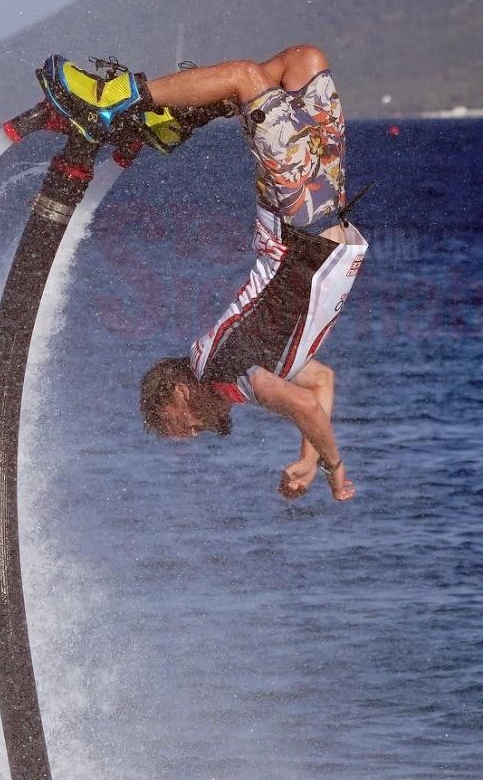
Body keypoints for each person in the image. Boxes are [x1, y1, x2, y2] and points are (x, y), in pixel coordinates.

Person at [131, 45, 366, 502]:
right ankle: (192, 104)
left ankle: (122, 100)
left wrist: (334, 469)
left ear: (179, 392)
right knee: (305, 61)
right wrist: (308, 459)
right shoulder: (247, 369)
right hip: (323, 209)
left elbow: (302, 406)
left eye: (184, 423)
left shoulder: (220, 371)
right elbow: (319, 383)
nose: (198, 429)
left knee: (244, 79)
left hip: (299, 224)